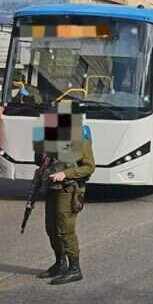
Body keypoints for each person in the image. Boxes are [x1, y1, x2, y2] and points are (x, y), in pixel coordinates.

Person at [37, 104, 96, 285]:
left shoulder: (80, 138)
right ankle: (59, 263)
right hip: (52, 188)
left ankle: (74, 268)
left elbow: (89, 167)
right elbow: (40, 161)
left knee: (65, 230)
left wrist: (65, 174)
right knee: (51, 228)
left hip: (68, 189)